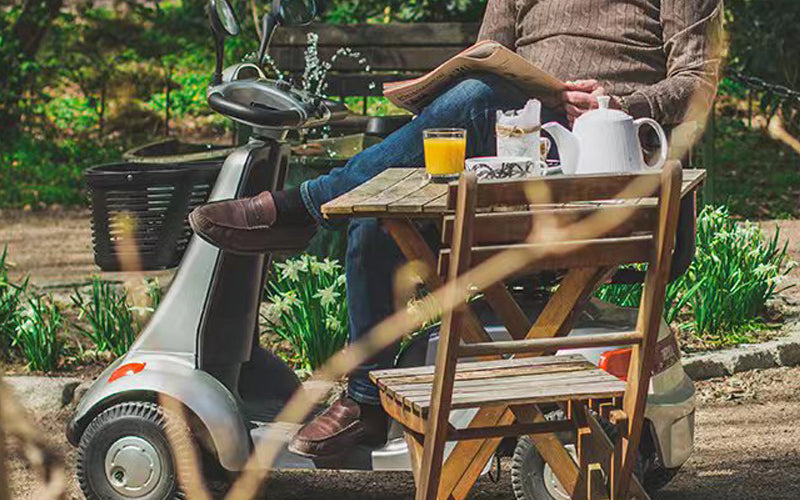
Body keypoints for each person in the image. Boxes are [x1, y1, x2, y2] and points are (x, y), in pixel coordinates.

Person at [189, 0, 722, 458]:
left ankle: (304, 206)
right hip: (511, 152)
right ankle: (366, 402)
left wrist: (617, 104)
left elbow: (697, 82)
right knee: (378, 217)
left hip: (601, 164)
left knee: (474, 100)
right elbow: (488, 55)